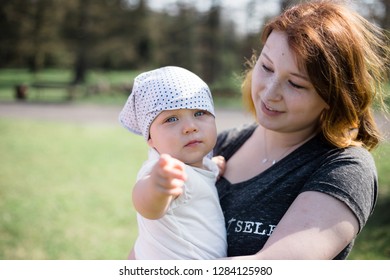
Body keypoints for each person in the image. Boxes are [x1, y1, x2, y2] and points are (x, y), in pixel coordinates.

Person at [214, 0, 390, 259]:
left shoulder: (345, 169)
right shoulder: (220, 146)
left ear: (333, 96)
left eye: (295, 84)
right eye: (266, 67)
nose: (270, 92)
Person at [119, 66, 227, 259]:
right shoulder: (167, 172)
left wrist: (213, 167)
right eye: (172, 119)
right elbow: (146, 204)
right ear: (150, 138)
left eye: (199, 113)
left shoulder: (200, 166)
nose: (190, 127)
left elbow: (200, 178)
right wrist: (158, 187)